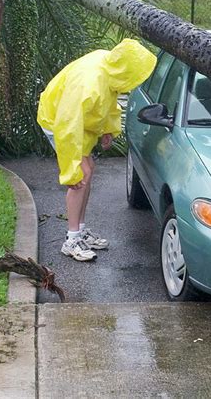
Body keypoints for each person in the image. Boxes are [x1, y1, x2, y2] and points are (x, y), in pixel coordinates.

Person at [37, 38, 157, 261]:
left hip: (80, 122)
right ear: (125, 69)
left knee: (88, 169)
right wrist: (71, 171)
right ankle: (71, 240)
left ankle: (80, 231)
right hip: (58, 119)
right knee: (80, 175)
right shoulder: (87, 84)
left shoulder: (109, 66)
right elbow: (67, 126)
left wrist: (108, 129)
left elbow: (110, 95)